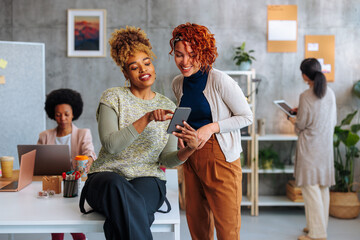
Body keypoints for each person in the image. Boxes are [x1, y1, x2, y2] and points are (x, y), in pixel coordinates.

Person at [79, 26, 199, 240]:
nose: (143, 70)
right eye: (134, 67)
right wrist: (147, 118)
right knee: (122, 193)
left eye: (147, 63)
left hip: (148, 178)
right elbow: (112, 146)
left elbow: (167, 160)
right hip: (106, 178)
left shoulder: (169, 105)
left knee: (125, 214)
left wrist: (189, 150)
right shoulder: (112, 97)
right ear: (125, 73)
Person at [169, 22, 253, 240]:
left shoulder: (220, 80)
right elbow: (187, 114)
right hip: (190, 156)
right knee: (197, 226)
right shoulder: (178, 83)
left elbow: (246, 116)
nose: (184, 62)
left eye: (191, 54)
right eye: (179, 55)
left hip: (220, 157)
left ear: (204, 53)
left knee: (227, 229)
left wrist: (211, 127)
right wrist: (178, 133)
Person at [37, 88, 97, 240]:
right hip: (54, 185)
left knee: (73, 221)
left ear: (73, 114)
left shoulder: (83, 133)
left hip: (74, 184)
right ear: (53, 115)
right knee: (55, 224)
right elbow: (37, 160)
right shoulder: (45, 136)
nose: (62, 118)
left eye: (66, 114)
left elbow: (90, 152)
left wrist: (88, 160)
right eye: (58, 114)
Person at [287, 58, 336, 240]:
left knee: (310, 188)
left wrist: (291, 118)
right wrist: (302, 110)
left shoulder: (306, 95)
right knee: (322, 187)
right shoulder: (330, 92)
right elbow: (329, 118)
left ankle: (317, 234)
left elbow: (301, 125)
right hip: (325, 147)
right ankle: (317, 226)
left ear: (305, 75)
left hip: (310, 147)